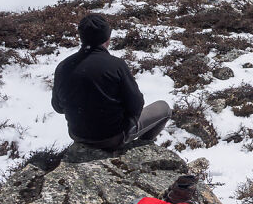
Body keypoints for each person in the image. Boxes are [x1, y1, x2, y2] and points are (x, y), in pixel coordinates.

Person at [51, 14, 172, 150]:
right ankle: (141, 146)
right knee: (164, 108)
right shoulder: (116, 66)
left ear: (82, 37)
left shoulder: (63, 67)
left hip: (78, 135)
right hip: (112, 138)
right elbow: (136, 105)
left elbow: (58, 107)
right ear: (107, 38)